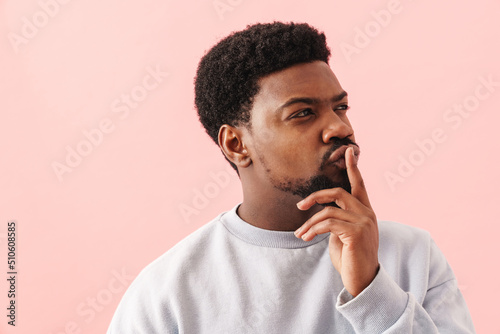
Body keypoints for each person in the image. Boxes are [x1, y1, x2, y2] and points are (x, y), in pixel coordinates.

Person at [107, 21, 476, 333]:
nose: (338, 127)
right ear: (236, 144)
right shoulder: (167, 294)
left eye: (340, 107)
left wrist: (373, 292)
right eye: (302, 113)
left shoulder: (413, 255)